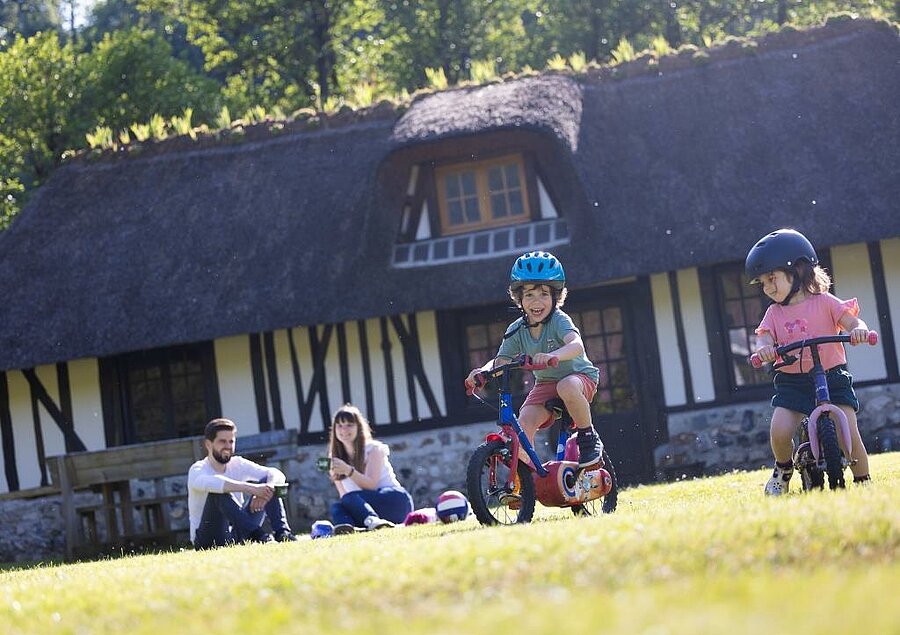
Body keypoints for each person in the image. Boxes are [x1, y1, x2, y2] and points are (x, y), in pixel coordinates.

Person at [746, 228, 872, 495]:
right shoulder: (773, 313)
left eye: (772, 278)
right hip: (793, 382)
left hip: (832, 378)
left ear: (798, 271)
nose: (768, 288)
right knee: (780, 430)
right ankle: (783, 468)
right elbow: (764, 338)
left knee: (848, 430)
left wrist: (858, 329)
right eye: (763, 283)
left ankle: (863, 480)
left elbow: (851, 321)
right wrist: (765, 350)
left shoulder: (825, 302)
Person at [464, 250, 604, 469]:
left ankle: (588, 437)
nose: (536, 301)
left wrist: (552, 356)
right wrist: (482, 371)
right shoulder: (517, 329)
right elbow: (501, 360)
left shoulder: (559, 320)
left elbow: (577, 345)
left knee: (566, 386)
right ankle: (523, 483)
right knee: (524, 422)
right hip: (546, 384)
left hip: (578, 378)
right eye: (529, 295)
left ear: (555, 298)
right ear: (519, 299)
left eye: (544, 294)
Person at [187, 418, 297, 548]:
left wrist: (267, 489)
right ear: (208, 444)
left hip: (237, 532)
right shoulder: (197, 469)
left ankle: (283, 533)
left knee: (268, 481)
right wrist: (252, 489)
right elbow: (215, 483)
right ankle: (259, 535)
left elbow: (277, 474)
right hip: (208, 539)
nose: (227, 446)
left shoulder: (237, 463)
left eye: (231, 441)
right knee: (217, 493)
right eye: (222, 441)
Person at [327, 404, 414, 532]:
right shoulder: (335, 460)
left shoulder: (373, 449)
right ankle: (347, 528)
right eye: (339, 426)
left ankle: (373, 521)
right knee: (337, 506)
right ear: (334, 430)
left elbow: (371, 485)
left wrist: (348, 470)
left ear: (359, 428)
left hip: (394, 501)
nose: (344, 430)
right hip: (365, 509)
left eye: (349, 425)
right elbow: (344, 497)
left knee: (350, 498)